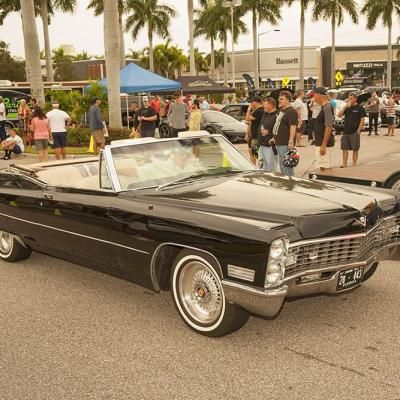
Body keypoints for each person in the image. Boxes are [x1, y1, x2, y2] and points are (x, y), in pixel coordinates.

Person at [272, 91, 298, 176]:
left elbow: (293, 126)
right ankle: (286, 182)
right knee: (282, 164)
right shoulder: (282, 110)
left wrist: (291, 141)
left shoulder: (291, 111)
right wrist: (274, 137)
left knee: (287, 165)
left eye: (282, 99)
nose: (279, 100)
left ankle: (290, 183)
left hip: (285, 143)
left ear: (288, 100)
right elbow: (278, 124)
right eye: (279, 99)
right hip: (279, 142)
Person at [337, 92, 366, 167]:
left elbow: (362, 119)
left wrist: (358, 130)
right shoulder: (347, 107)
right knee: (344, 148)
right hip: (346, 131)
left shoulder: (360, 108)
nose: (350, 100)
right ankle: (344, 164)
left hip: (354, 132)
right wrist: (345, 106)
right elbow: (339, 115)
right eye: (349, 98)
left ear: (355, 99)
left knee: (355, 149)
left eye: (351, 98)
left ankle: (354, 164)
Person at [312, 87, 335, 171]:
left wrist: (324, 144)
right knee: (323, 167)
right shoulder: (324, 107)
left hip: (324, 143)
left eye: (314, 95)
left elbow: (328, 126)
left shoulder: (327, 107)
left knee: (325, 168)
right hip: (320, 142)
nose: (313, 97)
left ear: (319, 95)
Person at [258, 97, 278, 172]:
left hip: (270, 146)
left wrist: (269, 132)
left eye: (265, 105)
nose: (263, 106)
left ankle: (272, 183)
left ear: (271, 105)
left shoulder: (277, 116)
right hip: (261, 144)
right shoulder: (265, 113)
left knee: (271, 168)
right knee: (261, 166)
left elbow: (280, 131)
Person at [245, 96, 264, 165]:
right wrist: (247, 134)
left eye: (251, 102)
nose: (250, 104)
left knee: (255, 153)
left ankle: (255, 167)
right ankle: (255, 166)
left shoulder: (259, 110)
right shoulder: (259, 110)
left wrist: (249, 109)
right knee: (252, 151)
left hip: (256, 136)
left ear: (255, 102)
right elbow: (249, 123)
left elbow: (247, 118)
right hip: (254, 135)